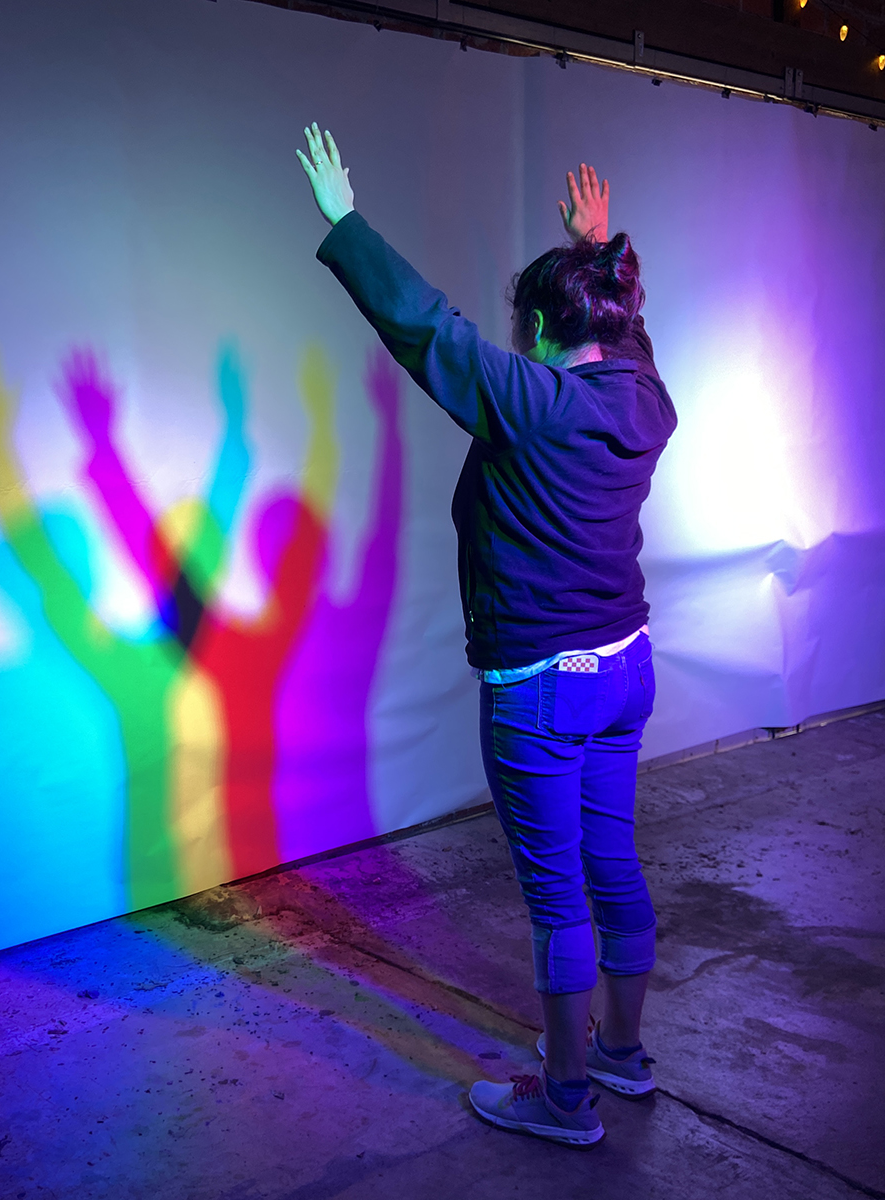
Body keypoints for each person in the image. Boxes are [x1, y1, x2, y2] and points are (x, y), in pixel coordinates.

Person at [297, 124, 677, 1147]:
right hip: (626, 668)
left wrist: (345, 223)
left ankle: (565, 1099)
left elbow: (432, 331)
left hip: (543, 686)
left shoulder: (532, 402)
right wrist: (597, 252)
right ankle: (621, 1053)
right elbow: (625, 339)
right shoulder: (645, 400)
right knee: (613, 863)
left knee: (558, 898)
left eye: (525, 328)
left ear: (543, 331)